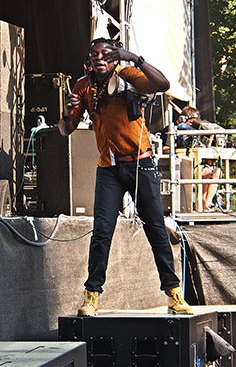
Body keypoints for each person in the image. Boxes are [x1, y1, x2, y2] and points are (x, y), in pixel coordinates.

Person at [58, 38, 192, 316]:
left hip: (140, 165)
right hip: (108, 167)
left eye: (106, 53)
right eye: (94, 53)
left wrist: (134, 58)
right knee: (102, 232)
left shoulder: (127, 74)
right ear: (89, 59)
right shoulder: (83, 86)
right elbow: (65, 130)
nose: (99, 57)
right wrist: (67, 111)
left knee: (155, 229)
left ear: (116, 57)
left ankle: (174, 294)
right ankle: (92, 295)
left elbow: (163, 85)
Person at [176, 105, 223, 211]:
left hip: (200, 162)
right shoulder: (180, 127)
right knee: (205, 172)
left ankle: (207, 203)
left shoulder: (200, 129)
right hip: (186, 165)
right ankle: (203, 205)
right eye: (191, 121)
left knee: (216, 172)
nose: (193, 124)